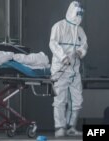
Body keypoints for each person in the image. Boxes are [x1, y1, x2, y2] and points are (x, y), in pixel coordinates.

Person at [49, 1, 88, 137]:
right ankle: (60, 127)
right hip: (60, 70)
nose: (80, 16)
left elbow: (84, 44)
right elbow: (53, 43)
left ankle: (71, 126)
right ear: (72, 11)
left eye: (81, 14)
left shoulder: (80, 30)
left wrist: (81, 52)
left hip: (74, 70)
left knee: (77, 100)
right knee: (60, 100)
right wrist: (63, 56)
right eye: (78, 13)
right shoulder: (59, 26)